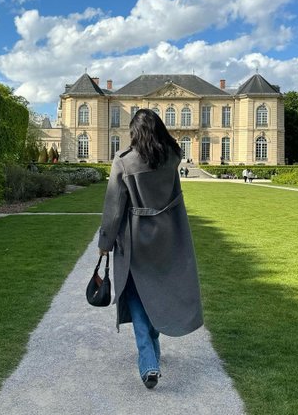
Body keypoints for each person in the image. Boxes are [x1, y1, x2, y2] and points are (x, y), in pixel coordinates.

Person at [98, 108, 203, 389]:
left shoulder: (124, 162)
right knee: (157, 292)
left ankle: (148, 360)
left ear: (134, 133)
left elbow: (113, 208)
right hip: (167, 237)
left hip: (136, 240)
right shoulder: (172, 157)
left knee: (135, 295)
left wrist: (105, 243)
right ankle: (153, 352)